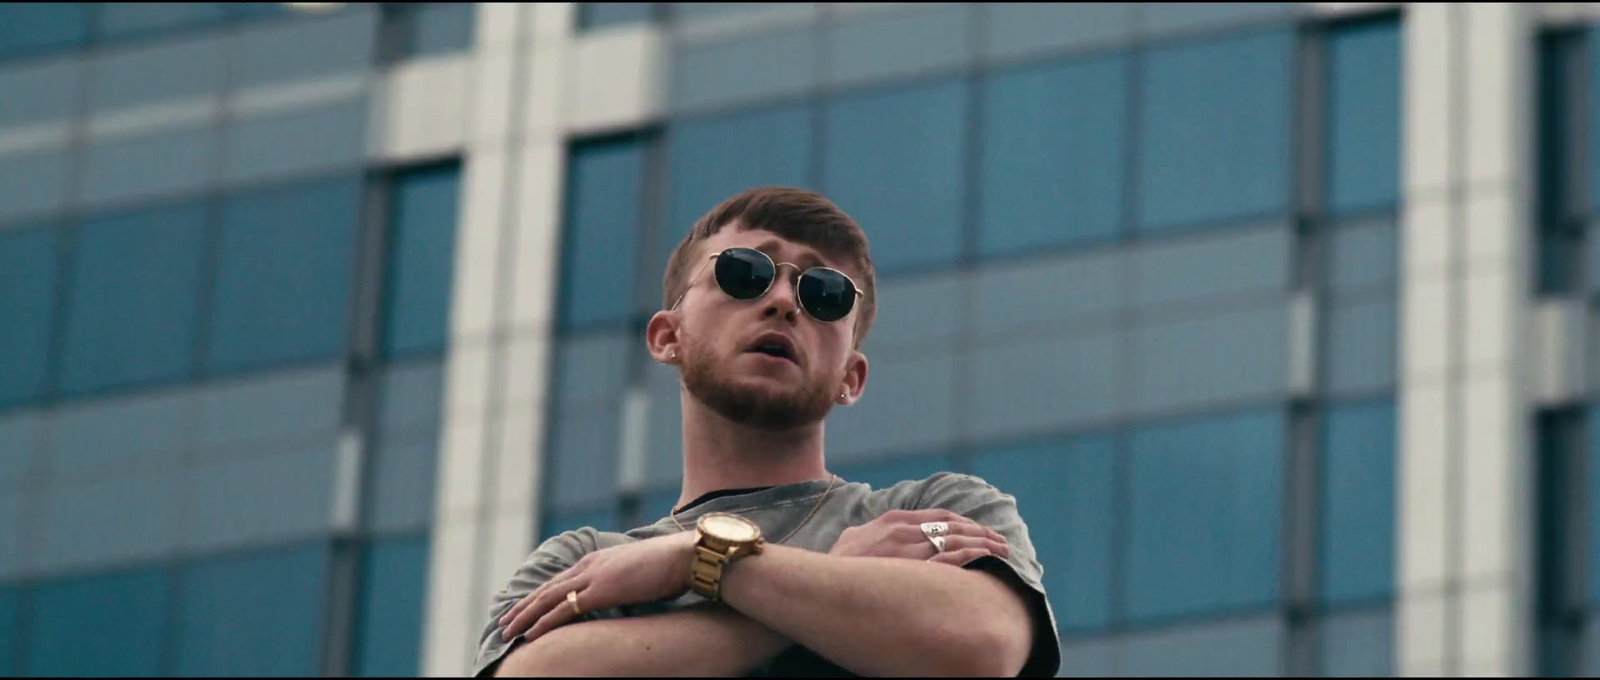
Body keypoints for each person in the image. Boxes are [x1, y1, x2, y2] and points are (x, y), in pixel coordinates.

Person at [473, 187, 1060, 677]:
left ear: (850, 378)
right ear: (666, 336)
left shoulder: (935, 512)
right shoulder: (587, 562)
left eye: (824, 294)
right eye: (744, 272)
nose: (783, 300)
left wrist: (699, 563)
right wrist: (823, 573)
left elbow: (984, 643)